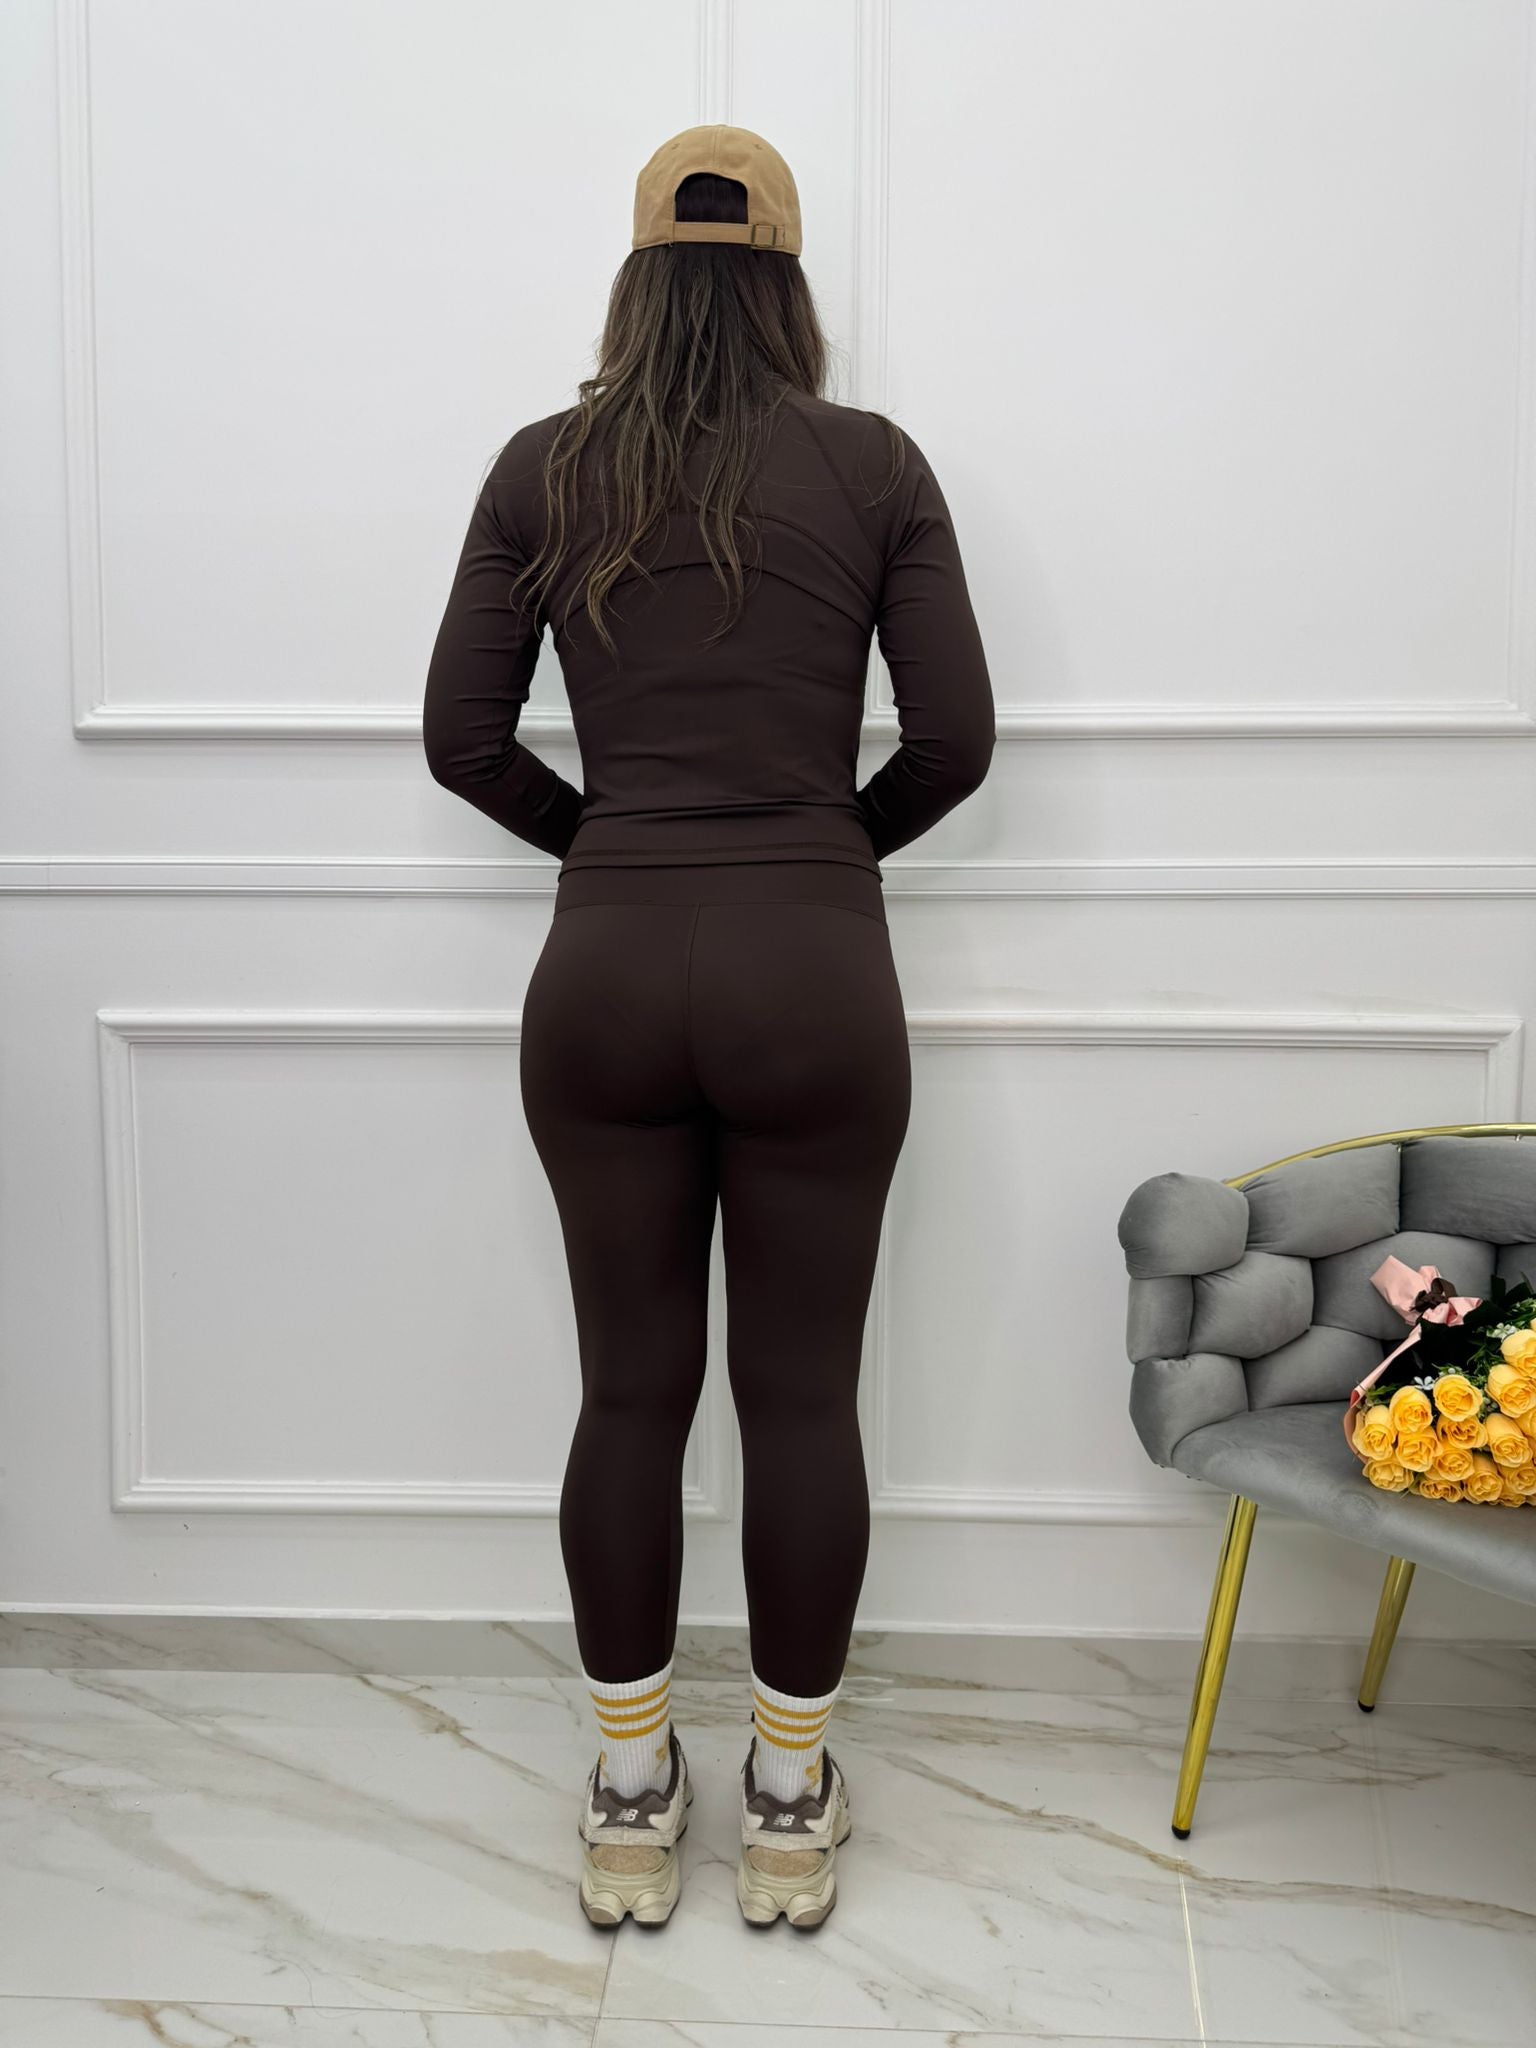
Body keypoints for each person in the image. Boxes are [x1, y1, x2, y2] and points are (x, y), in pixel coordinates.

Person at [422, 124, 994, 1930]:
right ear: (788, 287)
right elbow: (956, 745)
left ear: (636, 279)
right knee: (801, 1396)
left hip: (603, 976)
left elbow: (460, 742)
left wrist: (609, 847)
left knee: (628, 1391)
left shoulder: (541, 466)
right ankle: (792, 1801)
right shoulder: (876, 464)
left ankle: (625, 1794)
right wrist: (822, 850)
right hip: (813, 972)